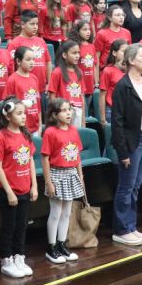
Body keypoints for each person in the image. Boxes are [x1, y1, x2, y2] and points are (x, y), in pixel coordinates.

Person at [109, 42, 142, 246]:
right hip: (131, 142)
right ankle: (121, 229)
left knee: (136, 186)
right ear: (130, 61)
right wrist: (123, 152)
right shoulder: (123, 86)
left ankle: (131, 226)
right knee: (126, 186)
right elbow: (117, 122)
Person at [0, 98, 38, 278]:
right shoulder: (1, 137)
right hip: (8, 191)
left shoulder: (25, 134)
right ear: (8, 116)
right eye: (19, 113)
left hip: (25, 188)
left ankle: (19, 256)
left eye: (24, 113)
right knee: (9, 226)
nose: (23, 116)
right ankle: (6, 259)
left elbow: (31, 160)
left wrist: (34, 186)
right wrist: (9, 191)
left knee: (22, 225)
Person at [41, 97, 85, 264]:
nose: (69, 113)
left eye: (70, 109)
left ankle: (62, 244)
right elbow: (45, 159)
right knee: (56, 212)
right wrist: (49, 182)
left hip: (71, 173)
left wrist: (80, 176)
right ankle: (51, 247)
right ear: (54, 114)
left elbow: (77, 156)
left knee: (67, 212)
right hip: (57, 174)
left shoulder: (73, 130)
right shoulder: (50, 132)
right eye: (64, 110)